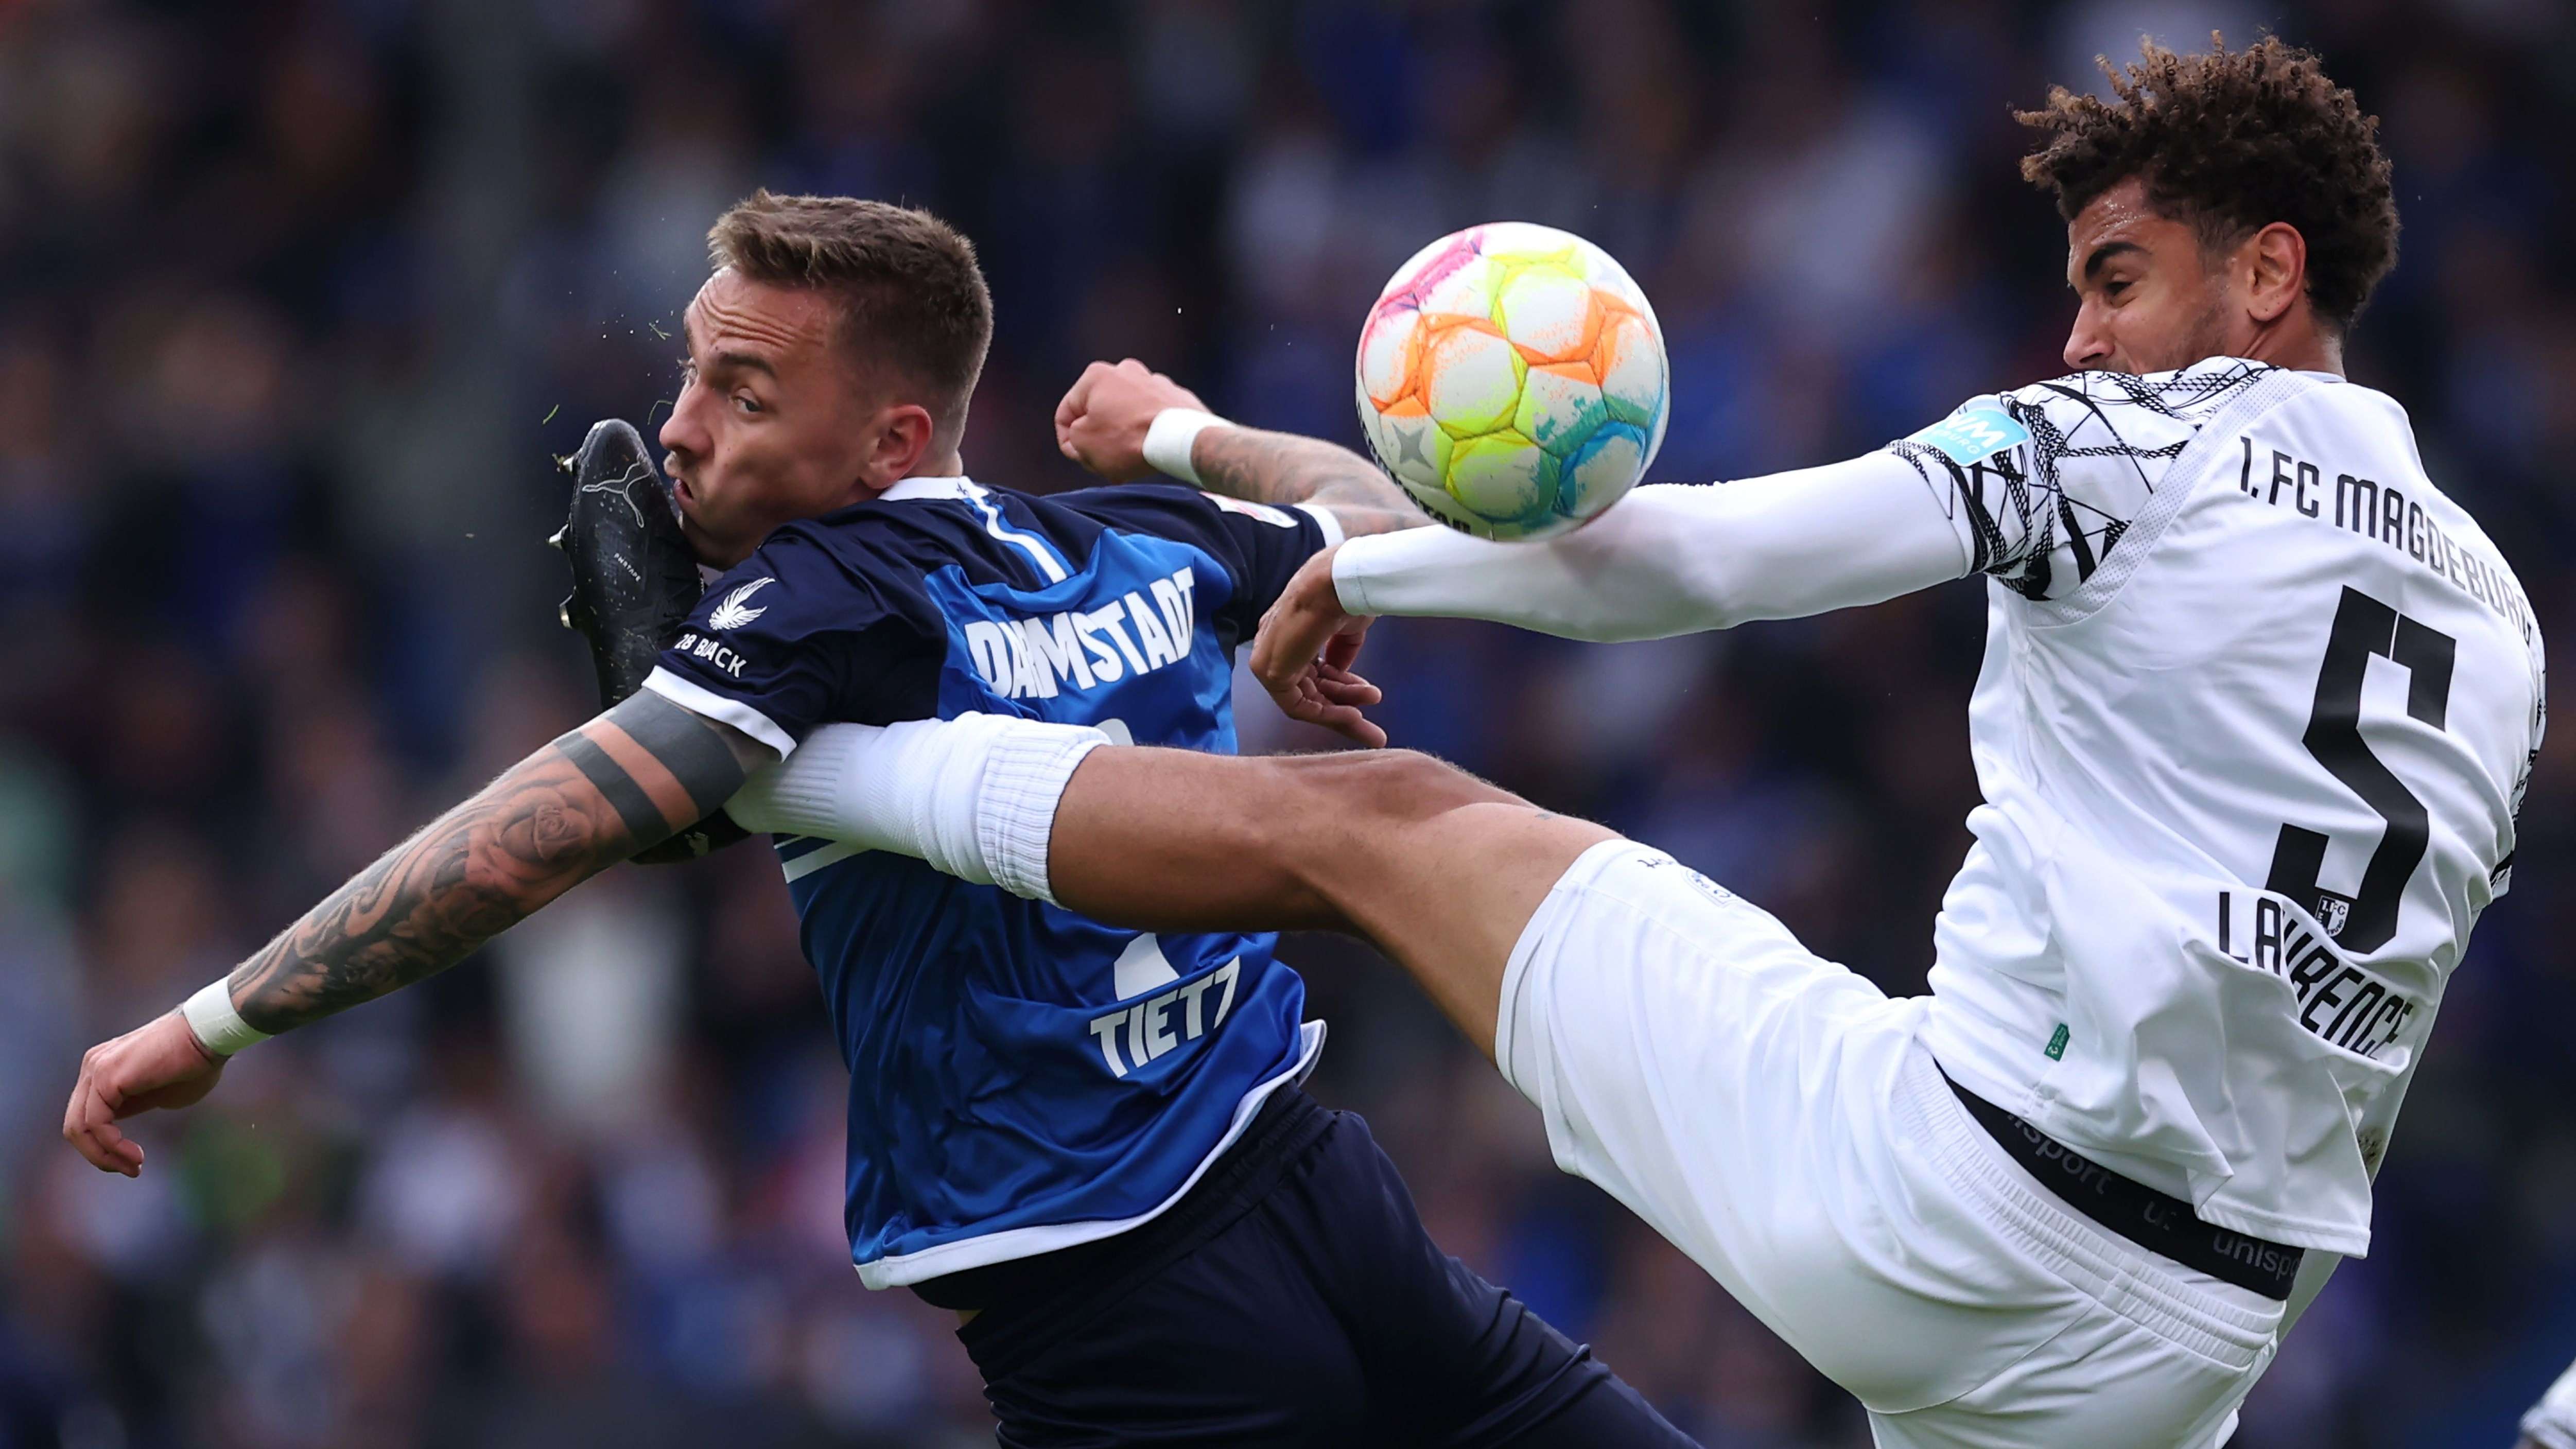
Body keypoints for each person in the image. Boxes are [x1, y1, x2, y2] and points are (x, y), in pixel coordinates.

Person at [693, 38, 2546, 1449]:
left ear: (2269, 273)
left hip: (1954, 1200)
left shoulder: (2116, 450)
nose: (2075, 341)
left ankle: (800, 766)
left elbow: (1669, 567)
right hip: (2203, 1334)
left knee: (1390, 822)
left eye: (2115, 279)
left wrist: (1271, 499)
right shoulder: (2494, 613)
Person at [61, 193, 1693, 1447]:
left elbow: (549, 827)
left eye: (744, 392)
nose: (683, 428)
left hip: (1113, 1304)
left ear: (890, 440)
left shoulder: (828, 595)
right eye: (693, 377)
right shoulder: (1125, 535)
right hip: (1327, 1200)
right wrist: (1186, 432)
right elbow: (1373, 518)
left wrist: (220, 1017)